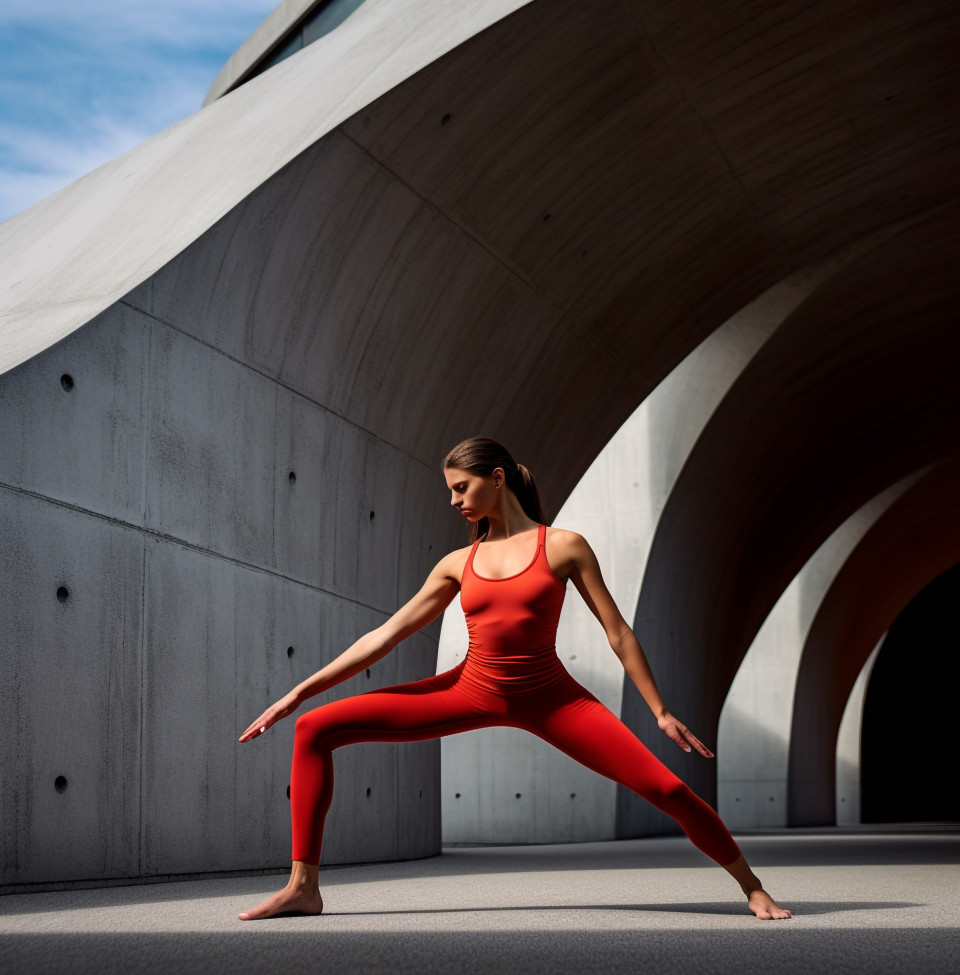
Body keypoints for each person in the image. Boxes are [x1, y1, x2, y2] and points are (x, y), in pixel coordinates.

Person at [237, 437, 791, 921]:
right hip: (469, 691)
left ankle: (752, 887)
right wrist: (297, 692)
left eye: (460, 487)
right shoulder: (457, 562)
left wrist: (660, 711)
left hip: (552, 700)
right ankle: (302, 887)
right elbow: (383, 638)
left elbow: (617, 631)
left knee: (668, 788)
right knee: (313, 727)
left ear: (495, 479)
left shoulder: (564, 545)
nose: (453, 500)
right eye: (450, 490)